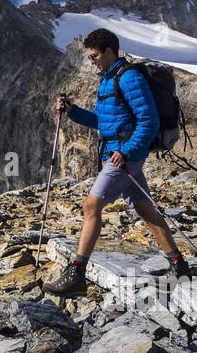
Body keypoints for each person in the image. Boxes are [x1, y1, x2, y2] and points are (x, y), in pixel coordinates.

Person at [43, 27, 189, 296]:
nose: (91, 60)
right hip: (116, 151)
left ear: (109, 51)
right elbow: (102, 121)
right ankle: (179, 265)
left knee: (91, 206)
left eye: (94, 55)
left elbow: (149, 121)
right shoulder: (108, 80)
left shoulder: (129, 78)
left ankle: (77, 273)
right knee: (145, 210)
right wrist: (72, 111)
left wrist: (128, 152)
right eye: (89, 56)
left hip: (124, 155)